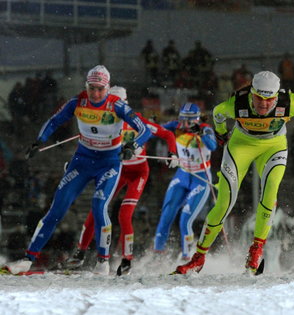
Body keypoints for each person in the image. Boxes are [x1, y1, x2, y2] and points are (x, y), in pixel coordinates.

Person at [3, 65, 152, 275]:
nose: (96, 93)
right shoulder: (78, 101)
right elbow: (55, 120)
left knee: (99, 206)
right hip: (82, 161)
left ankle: (103, 261)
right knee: (56, 209)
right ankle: (28, 259)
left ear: (107, 88)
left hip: (108, 162)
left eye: (100, 88)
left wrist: (132, 147)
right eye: (92, 88)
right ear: (87, 86)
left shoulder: (116, 105)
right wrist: (39, 141)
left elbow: (144, 130)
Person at [174, 70, 294, 275]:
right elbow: (217, 113)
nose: (263, 104)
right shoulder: (238, 103)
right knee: (224, 202)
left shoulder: (289, 102)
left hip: (274, 146)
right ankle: (198, 257)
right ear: (252, 93)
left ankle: (256, 252)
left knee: (270, 193)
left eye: (269, 100)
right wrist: (220, 134)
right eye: (259, 98)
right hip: (241, 145)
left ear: (276, 96)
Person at [62, 86, 178, 276]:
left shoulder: (137, 120)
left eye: (118, 103)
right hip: (117, 170)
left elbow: (167, 134)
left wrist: (172, 153)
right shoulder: (105, 122)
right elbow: (91, 149)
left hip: (138, 172)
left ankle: (127, 260)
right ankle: (80, 252)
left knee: (124, 214)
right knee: (97, 209)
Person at [153, 103, 217, 260]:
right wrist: (150, 124)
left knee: (185, 219)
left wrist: (201, 133)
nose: (186, 124)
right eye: (183, 119)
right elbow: (156, 131)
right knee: (166, 215)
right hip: (182, 176)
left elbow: (213, 145)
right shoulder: (176, 126)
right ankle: (157, 254)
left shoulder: (205, 128)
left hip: (200, 179)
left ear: (197, 119)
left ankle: (188, 257)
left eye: (190, 120)